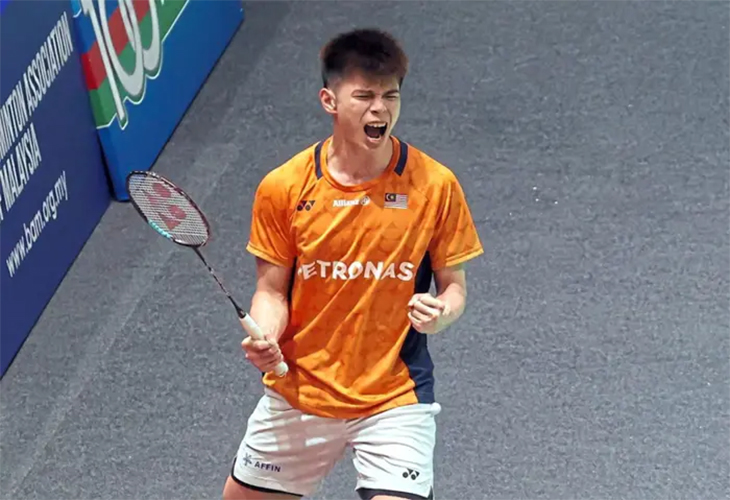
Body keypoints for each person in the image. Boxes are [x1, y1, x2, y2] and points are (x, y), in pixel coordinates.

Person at [222, 28, 483, 500]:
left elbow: (454, 288)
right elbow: (271, 291)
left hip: (393, 395)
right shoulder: (284, 187)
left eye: (390, 96)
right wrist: (266, 335)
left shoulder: (435, 185)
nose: (379, 109)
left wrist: (441, 313)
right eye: (364, 96)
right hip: (300, 391)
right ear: (330, 100)